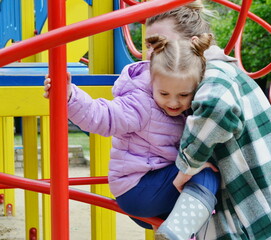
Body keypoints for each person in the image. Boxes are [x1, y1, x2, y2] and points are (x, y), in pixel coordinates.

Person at [145, 1, 271, 240]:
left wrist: (187, 167)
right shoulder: (197, 79)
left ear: (195, 42)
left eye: (162, 43)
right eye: (150, 45)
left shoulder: (216, 71)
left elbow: (217, 108)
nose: (152, 53)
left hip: (270, 212)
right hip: (251, 206)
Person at [44, 33, 221, 231]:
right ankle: (180, 231)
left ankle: (183, 230)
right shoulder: (140, 104)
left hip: (153, 190)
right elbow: (103, 116)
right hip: (139, 189)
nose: (173, 102)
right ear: (152, 82)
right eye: (164, 94)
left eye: (183, 95)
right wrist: (69, 96)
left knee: (204, 175)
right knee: (203, 171)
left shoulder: (188, 106)